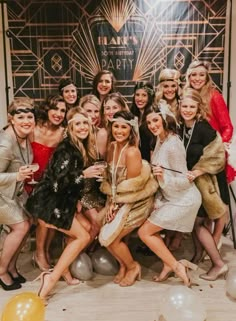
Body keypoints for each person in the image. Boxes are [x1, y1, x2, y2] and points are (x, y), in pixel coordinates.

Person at [25, 107, 104, 302]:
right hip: (48, 201)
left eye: (85, 122)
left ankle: (65, 270)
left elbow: (68, 184)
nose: (82, 126)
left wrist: (77, 199)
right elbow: (56, 182)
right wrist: (83, 174)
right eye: (78, 123)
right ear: (70, 128)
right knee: (83, 236)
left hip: (63, 199)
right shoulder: (66, 149)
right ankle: (50, 279)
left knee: (86, 227)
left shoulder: (80, 147)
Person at [138, 100, 201, 286]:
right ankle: (169, 264)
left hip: (185, 199)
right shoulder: (159, 139)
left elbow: (185, 180)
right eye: (149, 123)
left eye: (155, 120)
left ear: (165, 119)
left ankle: (176, 266)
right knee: (147, 231)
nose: (152, 126)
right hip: (170, 197)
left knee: (145, 232)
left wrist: (164, 177)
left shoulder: (173, 144)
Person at [98, 111, 158, 286]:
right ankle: (124, 266)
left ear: (130, 130)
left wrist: (114, 206)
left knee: (111, 239)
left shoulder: (132, 152)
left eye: (124, 127)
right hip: (116, 198)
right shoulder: (111, 147)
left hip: (135, 202)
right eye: (116, 126)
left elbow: (133, 187)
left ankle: (133, 267)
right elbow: (111, 181)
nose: (119, 130)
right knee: (105, 235)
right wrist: (110, 203)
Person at [178, 88, 228, 280]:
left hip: (208, 185)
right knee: (194, 223)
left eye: (192, 106)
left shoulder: (205, 129)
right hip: (192, 185)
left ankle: (218, 264)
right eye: (185, 106)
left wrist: (199, 171)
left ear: (198, 107)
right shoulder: (181, 127)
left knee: (198, 224)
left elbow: (217, 156)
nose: (188, 110)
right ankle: (198, 256)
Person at [185, 60, 233, 249]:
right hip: (196, 158)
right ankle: (207, 243)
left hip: (213, 156)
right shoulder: (187, 96)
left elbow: (228, 126)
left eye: (201, 75)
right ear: (188, 77)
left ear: (207, 77)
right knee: (204, 205)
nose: (197, 78)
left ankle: (216, 240)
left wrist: (217, 146)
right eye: (193, 75)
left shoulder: (214, 96)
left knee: (218, 202)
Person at [25, 95, 67, 271]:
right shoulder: (33, 128)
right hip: (28, 180)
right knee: (44, 217)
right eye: (55, 109)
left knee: (52, 214)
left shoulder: (63, 133)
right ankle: (40, 253)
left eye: (62, 110)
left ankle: (45, 251)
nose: (58, 113)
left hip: (48, 182)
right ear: (46, 110)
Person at [0, 98, 35, 290]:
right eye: (20, 117)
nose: (26, 121)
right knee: (20, 227)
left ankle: (12, 267)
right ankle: (1, 270)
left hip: (13, 193)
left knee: (28, 223)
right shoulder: (5, 143)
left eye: (29, 116)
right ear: (11, 119)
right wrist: (17, 175)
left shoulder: (24, 136)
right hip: (2, 195)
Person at [155, 69, 183, 250]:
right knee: (165, 192)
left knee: (179, 191)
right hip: (163, 149)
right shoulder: (158, 105)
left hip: (180, 150)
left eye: (173, 86)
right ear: (161, 87)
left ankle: (177, 235)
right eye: (166, 86)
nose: (170, 89)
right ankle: (165, 235)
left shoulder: (183, 105)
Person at [97, 92, 129, 159]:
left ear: (122, 108)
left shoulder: (131, 128)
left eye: (115, 107)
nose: (111, 111)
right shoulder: (103, 134)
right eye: (108, 108)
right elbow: (102, 160)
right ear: (104, 111)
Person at [130, 81, 155, 162]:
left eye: (144, 95)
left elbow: (154, 144)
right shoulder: (131, 114)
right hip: (134, 159)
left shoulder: (154, 115)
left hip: (149, 160)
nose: (140, 99)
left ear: (150, 97)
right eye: (137, 95)